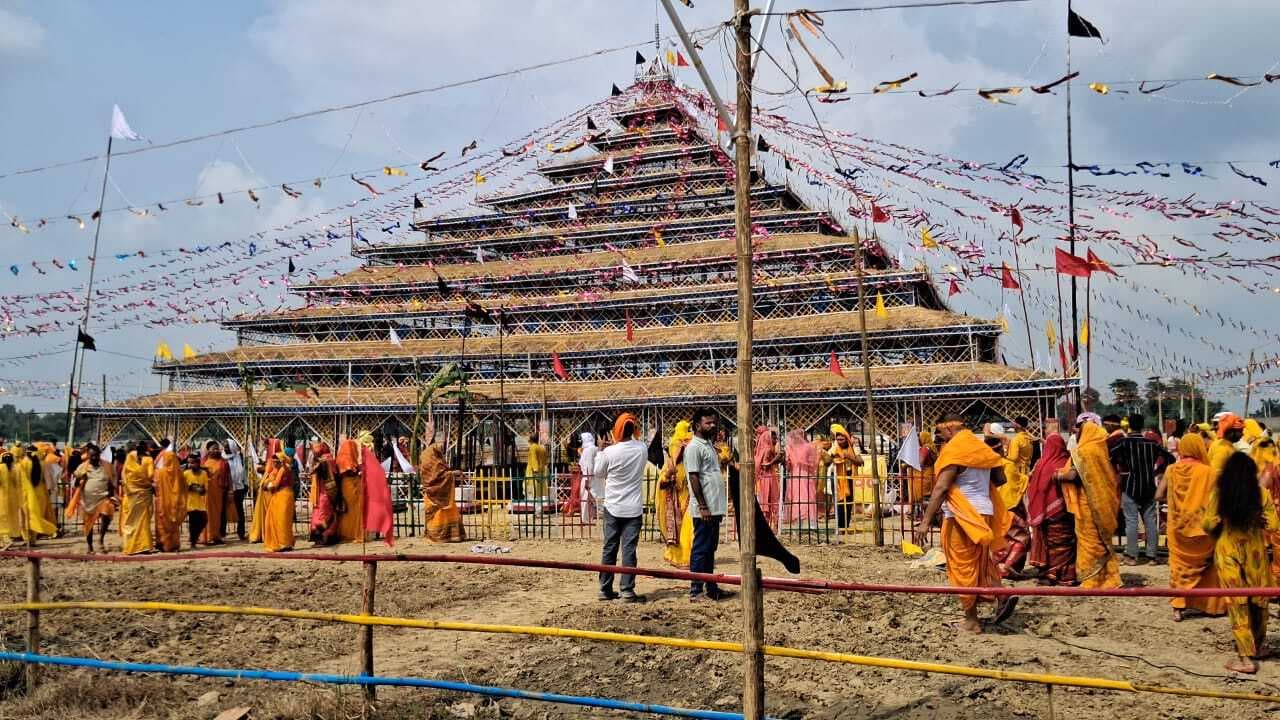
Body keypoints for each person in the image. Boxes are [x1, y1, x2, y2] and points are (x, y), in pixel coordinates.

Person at [912, 415, 1012, 633]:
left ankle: (971, 621)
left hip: (962, 516)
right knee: (981, 562)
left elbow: (941, 488)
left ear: (948, 428)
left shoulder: (955, 450)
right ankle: (1002, 595)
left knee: (962, 566)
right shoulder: (981, 448)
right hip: (984, 512)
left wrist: (925, 522)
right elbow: (1001, 479)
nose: (940, 438)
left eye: (940, 434)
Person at [1202, 452, 1279, 674]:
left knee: (1237, 602)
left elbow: (1207, 524)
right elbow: (1273, 525)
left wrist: (1224, 520)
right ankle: (1258, 646)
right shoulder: (1261, 494)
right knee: (1259, 599)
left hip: (1228, 551)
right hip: (1255, 552)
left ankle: (1245, 658)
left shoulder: (1220, 494)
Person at [1158, 433, 1227, 621]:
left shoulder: (1171, 470)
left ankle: (1178, 608)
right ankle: (1209, 605)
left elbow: (1158, 495)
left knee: (1179, 569)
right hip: (1203, 529)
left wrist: (1175, 502)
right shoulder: (1209, 472)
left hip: (1177, 528)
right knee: (1209, 567)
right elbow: (1219, 498)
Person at [1056, 413, 1123, 588]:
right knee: (1103, 542)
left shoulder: (1084, 452)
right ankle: (1110, 579)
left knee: (1090, 542)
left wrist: (1057, 475)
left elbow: (1073, 475)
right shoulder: (1100, 450)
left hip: (1089, 504)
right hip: (1105, 502)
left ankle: (1092, 580)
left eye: (1080, 430)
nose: (1077, 434)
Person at [595, 412, 648, 602]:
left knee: (609, 548)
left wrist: (601, 449)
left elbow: (598, 473)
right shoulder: (642, 448)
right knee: (629, 550)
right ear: (634, 429)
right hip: (633, 508)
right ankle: (626, 590)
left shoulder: (609, 452)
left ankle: (605, 588)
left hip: (613, 506)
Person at [1109, 414, 1174, 565]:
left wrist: (1120, 469)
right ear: (1142, 425)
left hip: (1130, 485)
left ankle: (1132, 556)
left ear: (1129, 425)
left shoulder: (1123, 443)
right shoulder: (1151, 444)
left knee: (1131, 522)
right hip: (1149, 487)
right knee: (1150, 521)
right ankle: (1152, 556)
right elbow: (1170, 458)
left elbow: (1110, 457)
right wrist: (1157, 472)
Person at [684, 407, 733, 602]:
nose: (712, 426)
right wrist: (702, 506)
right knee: (701, 548)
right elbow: (694, 477)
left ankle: (711, 587)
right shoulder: (694, 447)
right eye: (708, 423)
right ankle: (696, 590)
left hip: (715, 506)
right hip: (704, 509)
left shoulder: (708, 445)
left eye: (714, 422)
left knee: (710, 548)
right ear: (697, 425)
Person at [1025, 433, 1076, 585]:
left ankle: (1047, 573)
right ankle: (1061, 574)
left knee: (1048, 542)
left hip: (1043, 512)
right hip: (1062, 510)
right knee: (1064, 542)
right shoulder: (1066, 463)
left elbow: (1033, 488)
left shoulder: (1040, 464)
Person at [658, 420, 694, 568]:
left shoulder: (690, 444)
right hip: (676, 492)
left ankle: (688, 556)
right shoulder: (676, 446)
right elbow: (663, 482)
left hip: (687, 492)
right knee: (680, 526)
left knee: (688, 525)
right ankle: (679, 556)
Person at [71, 444, 117, 554]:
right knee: (88, 525)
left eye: (96, 456)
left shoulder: (107, 466)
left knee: (107, 513)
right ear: (88, 456)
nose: (94, 458)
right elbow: (75, 482)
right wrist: (81, 478)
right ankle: (90, 546)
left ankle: (101, 540)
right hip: (87, 500)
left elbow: (113, 479)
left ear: (99, 455)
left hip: (103, 497)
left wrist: (112, 491)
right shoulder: (83, 467)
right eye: (92, 456)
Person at [419, 440, 466, 543]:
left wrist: (451, 473)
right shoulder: (432, 461)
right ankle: (440, 536)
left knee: (443, 513)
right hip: (435, 494)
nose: (442, 451)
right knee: (438, 514)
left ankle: (447, 536)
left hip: (435, 492)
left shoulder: (431, 458)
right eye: (441, 448)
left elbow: (441, 473)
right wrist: (453, 473)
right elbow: (438, 476)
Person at [15, 445, 57, 544]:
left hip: (25, 494)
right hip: (40, 494)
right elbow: (48, 479)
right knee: (37, 516)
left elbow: (18, 481)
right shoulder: (43, 463)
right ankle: (33, 539)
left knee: (25, 516)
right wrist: (49, 490)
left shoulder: (21, 464)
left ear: (26, 452)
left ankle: (26, 538)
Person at [120, 443, 156, 555]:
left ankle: (131, 547)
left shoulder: (130, 457)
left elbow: (124, 477)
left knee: (131, 519)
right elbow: (150, 475)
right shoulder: (148, 459)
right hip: (144, 493)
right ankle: (143, 546)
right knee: (143, 520)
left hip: (131, 494)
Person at [826, 424, 864, 529]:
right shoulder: (834, 447)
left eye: (842, 439)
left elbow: (861, 462)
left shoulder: (853, 447)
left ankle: (845, 526)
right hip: (836, 476)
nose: (839, 441)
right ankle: (840, 526)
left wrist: (849, 456)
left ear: (846, 439)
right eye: (838, 439)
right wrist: (830, 456)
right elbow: (827, 462)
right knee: (839, 502)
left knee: (848, 502)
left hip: (848, 476)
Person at [152, 439, 185, 553]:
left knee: (170, 520)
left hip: (169, 499)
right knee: (162, 521)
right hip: (161, 498)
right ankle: (162, 543)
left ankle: (170, 544)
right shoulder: (161, 471)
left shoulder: (163, 472)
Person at [261, 449, 296, 552]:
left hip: (283, 496)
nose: (274, 463)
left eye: (277, 461)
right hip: (279, 496)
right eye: (273, 462)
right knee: (277, 520)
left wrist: (267, 485)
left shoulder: (284, 469)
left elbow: (276, 484)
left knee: (282, 520)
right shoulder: (278, 470)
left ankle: (283, 543)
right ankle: (284, 543)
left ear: (282, 460)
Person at [308, 441, 343, 546]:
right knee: (323, 513)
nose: (314, 452)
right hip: (325, 491)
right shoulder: (328, 459)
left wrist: (316, 463)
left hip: (326, 492)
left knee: (323, 514)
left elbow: (315, 471)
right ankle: (324, 537)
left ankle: (324, 538)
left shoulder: (326, 460)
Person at [335, 436, 366, 542]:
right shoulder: (349, 460)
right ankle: (353, 534)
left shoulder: (340, 458)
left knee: (348, 511)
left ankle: (347, 534)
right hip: (351, 485)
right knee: (354, 510)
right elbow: (351, 471)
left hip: (346, 485)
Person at [784, 428, 818, 526]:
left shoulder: (791, 448)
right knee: (807, 498)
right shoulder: (808, 447)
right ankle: (811, 524)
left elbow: (788, 465)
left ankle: (802, 523)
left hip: (798, 476)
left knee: (799, 498)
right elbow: (813, 463)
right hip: (804, 476)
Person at [201, 441, 229, 545]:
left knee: (217, 515)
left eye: (217, 448)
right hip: (207, 493)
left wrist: (229, 491)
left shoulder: (224, 462)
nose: (216, 450)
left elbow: (228, 477)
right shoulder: (204, 462)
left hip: (219, 492)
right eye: (214, 449)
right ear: (208, 450)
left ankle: (216, 536)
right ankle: (208, 537)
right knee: (208, 515)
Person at [753, 426, 781, 529]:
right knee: (770, 501)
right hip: (767, 477)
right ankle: (773, 525)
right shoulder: (765, 448)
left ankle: (770, 524)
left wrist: (769, 463)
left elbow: (760, 464)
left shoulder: (765, 449)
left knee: (767, 501)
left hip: (766, 478)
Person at [182, 454, 209, 550]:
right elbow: (182, 487)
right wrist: (191, 487)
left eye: (192, 463)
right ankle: (193, 542)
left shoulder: (204, 474)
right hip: (190, 503)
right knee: (193, 523)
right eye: (188, 462)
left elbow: (205, 489)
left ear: (198, 463)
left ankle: (194, 537)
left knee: (204, 521)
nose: (190, 465)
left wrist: (201, 490)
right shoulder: (186, 474)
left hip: (200, 503)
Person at [907, 430, 937, 510]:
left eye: (919, 438)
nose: (918, 440)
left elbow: (920, 462)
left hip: (922, 478)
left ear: (923, 438)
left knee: (923, 498)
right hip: (929, 476)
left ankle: (922, 515)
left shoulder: (925, 448)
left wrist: (909, 463)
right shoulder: (932, 447)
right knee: (928, 497)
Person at [225, 439, 248, 540]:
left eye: (227, 447)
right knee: (224, 510)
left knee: (239, 510)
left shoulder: (240, 457)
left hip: (239, 487)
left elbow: (243, 472)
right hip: (226, 488)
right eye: (224, 447)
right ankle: (222, 532)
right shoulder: (222, 458)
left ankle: (241, 532)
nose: (225, 449)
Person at [577, 431, 598, 524]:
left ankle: (586, 518)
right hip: (591, 475)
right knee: (589, 497)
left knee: (585, 497)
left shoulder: (589, 449)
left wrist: (587, 478)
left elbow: (589, 465)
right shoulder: (592, 448)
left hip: (587, 476)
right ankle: (590, 516)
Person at [524, 431, 548, 500]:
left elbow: (534, 459)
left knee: (531, 488)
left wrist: (535, 470)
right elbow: (545, 461)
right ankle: (539, 503)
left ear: (531, 440)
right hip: (542, 471)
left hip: (532, 471)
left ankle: (532, 503)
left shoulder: (533, 447)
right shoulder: (542, 448)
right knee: (540, 489)